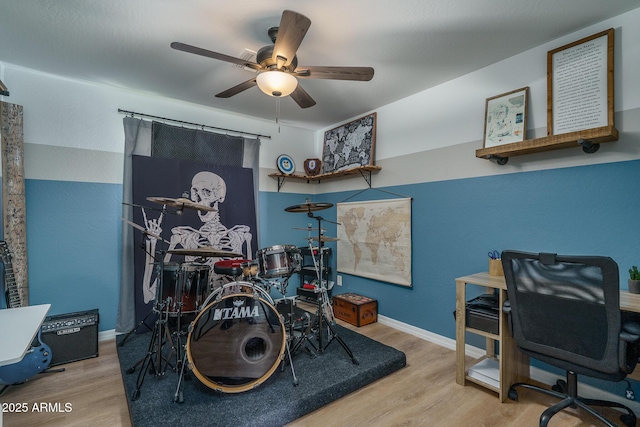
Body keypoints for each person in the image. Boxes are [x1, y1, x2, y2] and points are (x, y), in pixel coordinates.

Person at [141, 171, 253, 305]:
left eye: (206, 192)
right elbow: (150, 294)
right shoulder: (185, 237)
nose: (200, 199)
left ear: (219, 196)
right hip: (196, 300)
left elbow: (250, 285)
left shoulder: (240, 235)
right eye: (196, 192)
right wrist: (151, 243)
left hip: (231, 301)